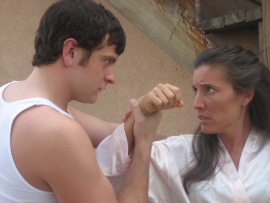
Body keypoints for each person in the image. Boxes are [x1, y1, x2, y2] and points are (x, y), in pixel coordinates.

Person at [0, 0, 183, 202]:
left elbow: (111, 133)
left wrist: (195, 146)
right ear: (70, 51)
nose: (112, 77)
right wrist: (144, 144)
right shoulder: (56, 131)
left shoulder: (10, 95)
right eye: (107, 61)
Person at [97, 45, 270, 202]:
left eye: (210, 90)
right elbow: (109, 170)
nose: (196, 104)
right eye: (196, 90)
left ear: (246, 95)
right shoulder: (180, 153)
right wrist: (141, 115)